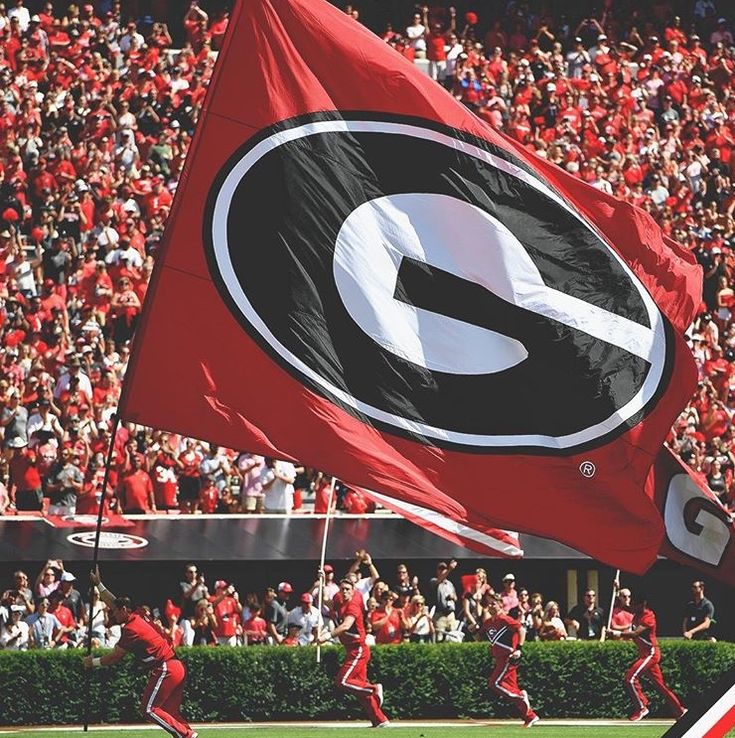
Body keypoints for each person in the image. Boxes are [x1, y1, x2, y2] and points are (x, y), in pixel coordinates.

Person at [83, 566, 197, 738]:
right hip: (177, 666)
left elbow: (115, 656)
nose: (113, 614)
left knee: (148, 709)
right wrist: (99, 584)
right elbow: (114, 601)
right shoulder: (139, 614)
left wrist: (93, 662)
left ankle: (187, 736)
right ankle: (187, 734)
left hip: (166, 667)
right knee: (169, 713)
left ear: (123, 610)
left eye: (115, 611)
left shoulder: (130, 629)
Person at [318, 578, 388, 728]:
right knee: (359, 690)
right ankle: (380, 720)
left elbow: (346, 625)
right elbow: (326, 602)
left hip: (358, 649)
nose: (344, 592)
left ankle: (374, 688)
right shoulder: (338, 597)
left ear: (353, 590)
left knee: (342, 681)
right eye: (342, 589)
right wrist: (322, 581)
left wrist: (326, 636)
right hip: (350, 649)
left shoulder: (354, 605)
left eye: (347, 589)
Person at [621, 591, 686, 722]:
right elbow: (626, 606)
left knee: (630, 678)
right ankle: (681, 711)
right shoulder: (637, 612)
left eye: (635, 604)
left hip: (650, 653)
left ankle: (642, 707)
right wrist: (618, 590)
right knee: (661, 686)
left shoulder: (648, 616)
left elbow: (635, 634)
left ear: (642, 604)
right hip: (644, 654)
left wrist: (616, 633)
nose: (632, 606)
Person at [480, 593, 539, 728]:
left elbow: (521, 630)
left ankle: (521, 696)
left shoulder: (505, 619)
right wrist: (473, 631)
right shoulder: (488, 622)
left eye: (493, 603)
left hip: (508, 658)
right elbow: (480, 638)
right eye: (488, 603)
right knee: (510, 688)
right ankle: (530, 716)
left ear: (500, 604)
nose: (490, 605)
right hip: (499, 658)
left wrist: (519, 648)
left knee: (494, 683)